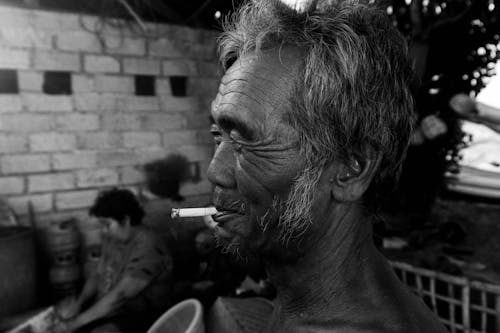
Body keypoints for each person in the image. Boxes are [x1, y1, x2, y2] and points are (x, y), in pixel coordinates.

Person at [206, 0, 447, 332]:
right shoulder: (313, 299)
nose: (214, 171)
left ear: (351, 169)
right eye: (218, 135)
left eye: (247, 141)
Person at [54, 188, 173, 333]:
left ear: (126, 220)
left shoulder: (148, 245)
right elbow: (97, 275)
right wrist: (79, 303)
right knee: (62, 314)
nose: (104, 231)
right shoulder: (112, 238)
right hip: (108, 307)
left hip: (141, 314)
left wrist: (73, 325)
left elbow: (119, 296)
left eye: (107, 225)